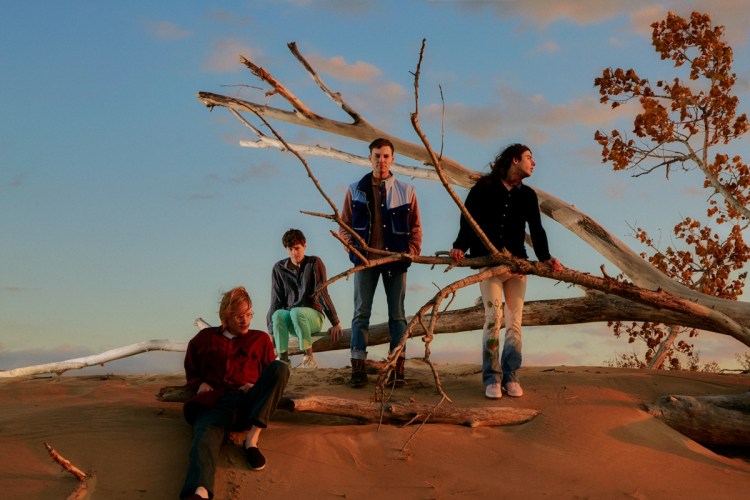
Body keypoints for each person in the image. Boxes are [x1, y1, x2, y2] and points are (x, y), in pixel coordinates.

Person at [449, 144, 562, 400]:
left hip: (517, 266)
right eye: (529, 158)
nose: (534, 163)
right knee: (493, 318)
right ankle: (492, 377)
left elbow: (536, 228)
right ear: (515, 159)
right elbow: (468, 219)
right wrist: (459, 246)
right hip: (489, 264)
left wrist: (545, 258)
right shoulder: (485, 187)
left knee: (515, 322)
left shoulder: (528, 195)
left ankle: (511, 376)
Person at [179, 286, 289, 500]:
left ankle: (251, 441)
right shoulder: (204, 339)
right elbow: (191, 368)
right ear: (226, 317)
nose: (245, 320)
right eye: (239, 316)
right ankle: (199, 491)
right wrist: (199, 383)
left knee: (280, 368)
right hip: (215, 404)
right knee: (204, 440)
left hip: (248, 403)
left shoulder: (260, 339)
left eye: (249, 314)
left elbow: (270, 375)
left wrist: (255, 384)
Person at [339, 137, 422, 387]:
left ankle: (397, 369)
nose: (381, 161)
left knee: (397, 315)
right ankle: (358, 370)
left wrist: (412, 250)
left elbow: (415, 226)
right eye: (377, 156)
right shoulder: (355, 189)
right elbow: (344, 225)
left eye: (386, 156)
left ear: (392, 159)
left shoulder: (406, 190)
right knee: (360, 313)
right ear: (370, 158)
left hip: (395, 260)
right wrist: (352, 249)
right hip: (365, 261)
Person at [267, 228, 342, 368]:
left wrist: (335, 322)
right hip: (292, 320)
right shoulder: (278, 268)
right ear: (286, 249)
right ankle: (283, 360)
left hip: (314, 318)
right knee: (278, 315)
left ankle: (308, 358)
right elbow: (276, 300)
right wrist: (271, 330)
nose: (294, 253)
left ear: (304, 246)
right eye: (290, 249)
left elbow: (322, 293)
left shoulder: (314, 263)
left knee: (297, 312)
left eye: (297, 248)